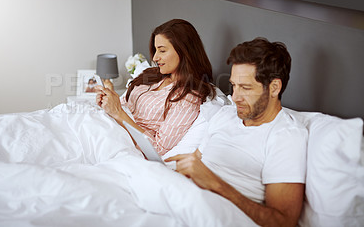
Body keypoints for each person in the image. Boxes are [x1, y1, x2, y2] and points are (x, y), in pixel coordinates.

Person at [166, 37, 308, 226]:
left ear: (274, 88)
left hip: (216, 215)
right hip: (180, 197)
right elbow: (196, 162)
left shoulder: (285, 136)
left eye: (245, 87)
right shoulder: (225, 115)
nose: (235, 97)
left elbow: (283, 222)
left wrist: (215, 184)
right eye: (234, 85)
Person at [96, 19, 216, 155]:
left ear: (184, 51)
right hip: (105, 126)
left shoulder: (187, 97)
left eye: (162, 51)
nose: (155, 57)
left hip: (119, 142)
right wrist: (108, 102)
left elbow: (157, 149)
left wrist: (118, 112)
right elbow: (123, 105)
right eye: (155, 50)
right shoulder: (152, 75)